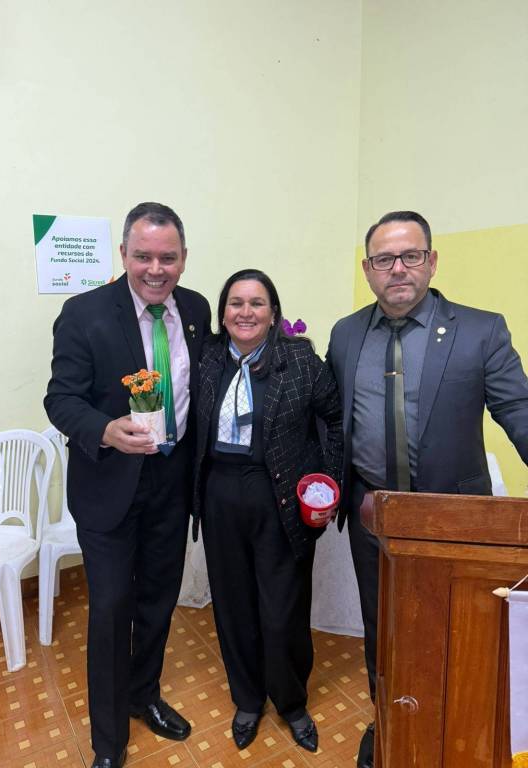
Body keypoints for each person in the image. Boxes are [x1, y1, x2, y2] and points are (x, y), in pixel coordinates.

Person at [326, 210, 528, 768]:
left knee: (457, 633)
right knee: (381, 626)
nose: (397, 269)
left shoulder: (481, 330)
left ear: (432, 261)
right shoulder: (346, 334)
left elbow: (519, 410)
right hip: (374, 514)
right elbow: (331, 420)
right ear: (367, 269)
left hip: (453, 519)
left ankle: (453, 732)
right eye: (384, 259)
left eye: (410, 256)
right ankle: (388, 722)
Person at [45, 202, 211, 768]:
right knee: (113, 610)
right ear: (123, 255)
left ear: (183, 259)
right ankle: (109, 740)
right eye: (143, 256)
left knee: (159, 601)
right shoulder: (84, 313)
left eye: (168, 258)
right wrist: (105, 430)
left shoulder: (195, 309)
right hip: (109, 486)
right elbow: (60, 399)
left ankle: (145, 696)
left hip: (172, 480)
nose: (155, 270)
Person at [193, 269, 343, 753]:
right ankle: (247, 699)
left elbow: (335, 420)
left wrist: (329, 483)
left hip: (278, 496)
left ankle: (292, 702)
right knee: (233, 604)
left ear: (273, 313)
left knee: (282, 611)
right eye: (235, 303)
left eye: (257, 303)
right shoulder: (207, 359)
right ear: (223, 313)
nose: (246, 312)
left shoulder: (299, 360)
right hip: (219, 494)